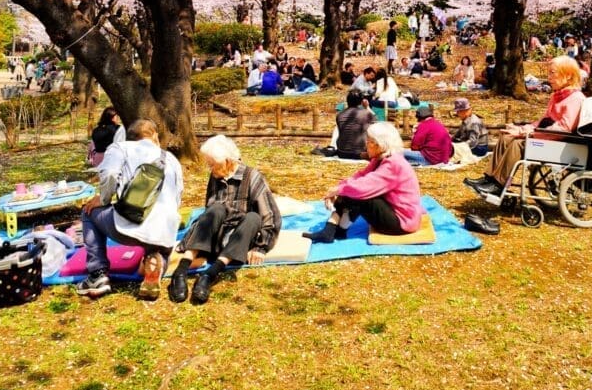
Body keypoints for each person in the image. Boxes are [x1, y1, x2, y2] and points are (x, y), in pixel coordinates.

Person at [77, 120, 183, 299]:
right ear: (155, 135)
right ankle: (156, 259)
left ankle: (97, 274)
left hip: (127, 225)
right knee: (161, 250)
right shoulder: (171, 159)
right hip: (164, 230)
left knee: (88, 212)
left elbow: (109, 173)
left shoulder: (120, 148)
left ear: (129, 137)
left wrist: (103, 199)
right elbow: (178, 196)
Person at [170, 135, 281, 306]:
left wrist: (261, 247)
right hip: (215, 238)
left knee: (253, 217)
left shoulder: (252, 176)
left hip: (239, 239)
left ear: (228, 161)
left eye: (212, 164)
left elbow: (271, 215)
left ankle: (209, 275)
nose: (210, 168)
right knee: (216, 209)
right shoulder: (216, 176)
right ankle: (180, 271)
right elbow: (209, 212)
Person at [465, 56, 584, 197]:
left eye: (553, 73)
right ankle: (489, 178)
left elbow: (563, 129)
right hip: (548, 138)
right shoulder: (556, 96)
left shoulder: (575, 98)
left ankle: (498, 184)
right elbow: (543, 121)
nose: (549, 77)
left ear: (568, 75)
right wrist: (521, 129)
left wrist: (528, 133)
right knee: (506, 137)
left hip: (561, 144)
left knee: (517, 144)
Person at [305, 123, 424, 243]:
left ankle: (332, 230)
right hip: (395, 212)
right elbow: (360, 176)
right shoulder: (380, 159)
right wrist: (338, 188)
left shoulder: (393, 164)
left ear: (380, 144)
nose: (366, 144)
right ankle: (334, 230)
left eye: (369, 141)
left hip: (402, 222)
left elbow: (362, 188)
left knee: (359, 194)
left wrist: (338, 191)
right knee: (352, 189)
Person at [334, 90, 376, 159]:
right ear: (361, 101)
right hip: (360, 152)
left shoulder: (340, 114)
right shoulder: (366, 113)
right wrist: (367, 107)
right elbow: (377, 124)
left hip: (341, 152)